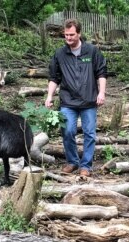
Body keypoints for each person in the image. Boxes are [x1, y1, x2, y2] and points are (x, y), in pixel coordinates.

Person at [45, 19, 107, 177]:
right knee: (67, 131)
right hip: (68, 101)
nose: (69, 38)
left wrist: (101, 93)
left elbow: (101, 73)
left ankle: (86, 165)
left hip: (89, 101)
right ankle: (72, 162)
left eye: (72, 34)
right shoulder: (60, 54)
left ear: (79, 33)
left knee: (89, 134)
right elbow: (54, 78)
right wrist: (49, 96)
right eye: (66, 35)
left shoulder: (91, 51)